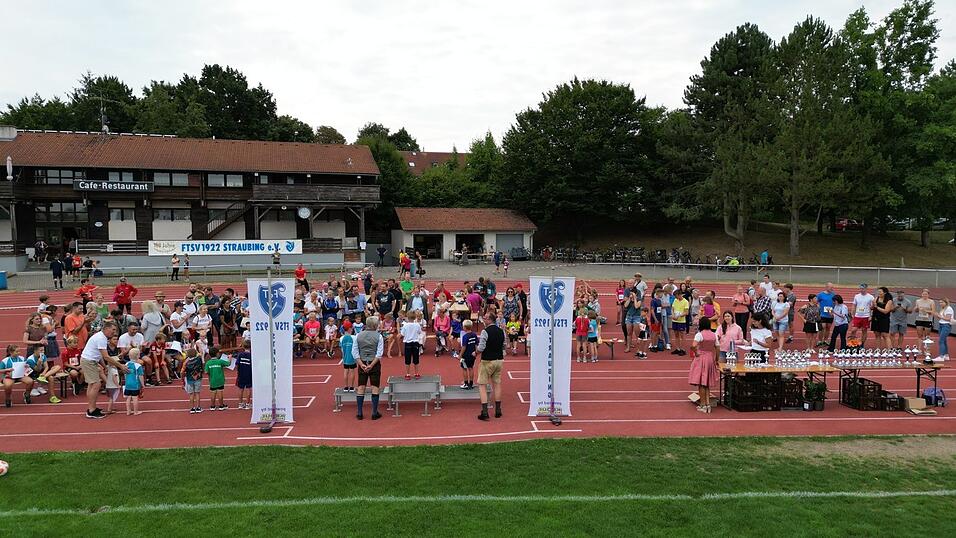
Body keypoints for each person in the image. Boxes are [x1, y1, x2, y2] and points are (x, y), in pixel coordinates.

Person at [80, 322, 127, 419]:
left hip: (90, 360)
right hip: (89, 361)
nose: (114, 332)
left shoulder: (102, 337)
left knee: (92, 384)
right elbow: (106, 356)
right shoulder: (101, 338)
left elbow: (100, 355)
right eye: (113, 330)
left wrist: (104, 366)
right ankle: (91, 410)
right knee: (96, 384)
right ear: (106, 329)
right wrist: (120, 366)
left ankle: (92, 407)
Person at [352, 315, 385, 420]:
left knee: (361, 387)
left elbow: (355, 351)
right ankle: (374, 412)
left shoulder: (358, 335)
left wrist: (361, 364)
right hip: (374, 363)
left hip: (362, 362)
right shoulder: (379, 336)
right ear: (375, 325)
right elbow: (379, 353)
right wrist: (371, 365)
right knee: (375, 387)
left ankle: (359, 412)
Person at [476, 312, 507, 421]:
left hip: (487, 361)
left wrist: (475, 352)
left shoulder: (485, 331)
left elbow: (481, 348)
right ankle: (498, 410)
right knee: (497, 384)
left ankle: (485, 412)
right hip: (499, 360)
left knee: (482, 385)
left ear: (489, 320)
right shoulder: (501, 331)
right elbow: (504, 345)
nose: (483, 320)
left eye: (485, 318)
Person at [688, 317, 719, 413]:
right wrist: (716, 359)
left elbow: (693, 345)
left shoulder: (699, 334)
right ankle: (708, 404)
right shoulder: (714, 335)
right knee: (707, 383)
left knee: (701, 383)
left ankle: (703, 405)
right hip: (710, 357)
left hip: (701, 358)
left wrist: (696, 352)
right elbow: (718, 347)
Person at [204, 347, 230, 411]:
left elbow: (206, 372)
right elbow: (228, 364)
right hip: (220, 380)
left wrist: (211, 372)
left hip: (212, 380)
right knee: (220, 392)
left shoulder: (208, 363)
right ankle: (221, 405)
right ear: (217, 354)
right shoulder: (220, 361)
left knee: (213, 393)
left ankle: (212, 406)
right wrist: (230, 358)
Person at [400, 310, 423, 379]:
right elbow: (419, 332)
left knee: (407, 359)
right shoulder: (417, 325)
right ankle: (416, 373)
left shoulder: (405, 325)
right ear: (415, 317)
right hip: (415, 343)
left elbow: (402, 334)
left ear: (407, 317)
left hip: (408, 343)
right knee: (416, 359)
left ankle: (408, 374)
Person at [181, 348, 204, 413]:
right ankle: (198, 407)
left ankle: (192, 408)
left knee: (191, 394)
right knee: (197, 393)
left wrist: (182, 380)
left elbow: (182, 372)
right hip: (197, 378)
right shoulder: (198, 359)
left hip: (189, 379)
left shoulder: (186, 362)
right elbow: (201, 353)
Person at [124, 350, 145, 416]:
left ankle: (128, 411)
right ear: (138, 356)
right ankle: (135, 411)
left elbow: (125, 374)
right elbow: (140, 376)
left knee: (128, 398)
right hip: (135, 384)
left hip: (127, 384)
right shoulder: (138, 366)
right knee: (135, 398)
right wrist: (143, 384)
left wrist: (126, 381)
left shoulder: (126, 364)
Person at [235, 342, 253, 409]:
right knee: (248, 388)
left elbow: (237, 364)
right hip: (249, 374)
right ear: (250, 347)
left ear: (243, 347)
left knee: (240, 388)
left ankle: (240, 404)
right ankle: (248, 404)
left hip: (241, 374)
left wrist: (238, 371)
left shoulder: (240, 354)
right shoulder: (251, 355)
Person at [671, 291, 689, 356]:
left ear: (679, 295)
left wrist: (678, 316)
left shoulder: (685, 302)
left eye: (676, 296)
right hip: (675, 320)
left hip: (681, 321)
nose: (675, 297)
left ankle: (683, 349)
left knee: (682, 335)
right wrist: (673, 315)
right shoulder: (675, 300)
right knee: (676, 334)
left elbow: (686, 312)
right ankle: (677, 348)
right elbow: (672, 309)